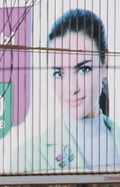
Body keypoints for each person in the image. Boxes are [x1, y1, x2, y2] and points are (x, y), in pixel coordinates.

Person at [12, 9, 120, 172]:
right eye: (59, 73)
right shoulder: (29, 155)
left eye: (83, 69)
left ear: (105, 64)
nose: (71, 88)